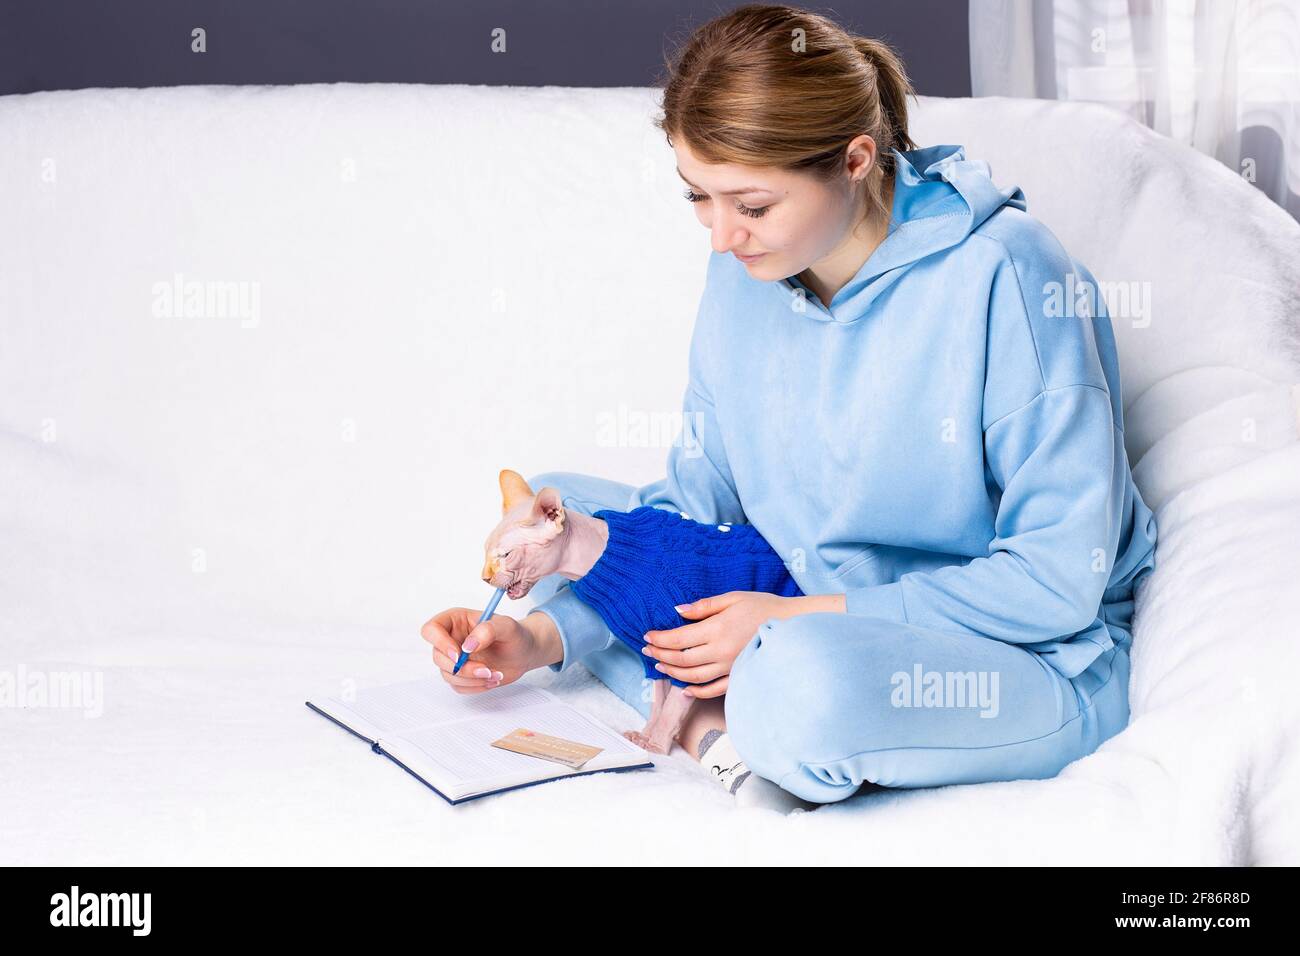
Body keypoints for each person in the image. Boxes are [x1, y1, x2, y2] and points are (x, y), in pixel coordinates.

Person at [420, 3, 1158, 810]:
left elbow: (1056, 581)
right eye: (698, 198)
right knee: (571, 509)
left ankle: (725, 708)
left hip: (1008, 651)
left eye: (752, 205)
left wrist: (793, 620)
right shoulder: (746, 274)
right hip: (788, 594)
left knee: (800, 689)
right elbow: (697, 509)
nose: (720, 237)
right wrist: (539, 636)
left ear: (855, 159)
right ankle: (719, 694)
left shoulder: (1010, 277)